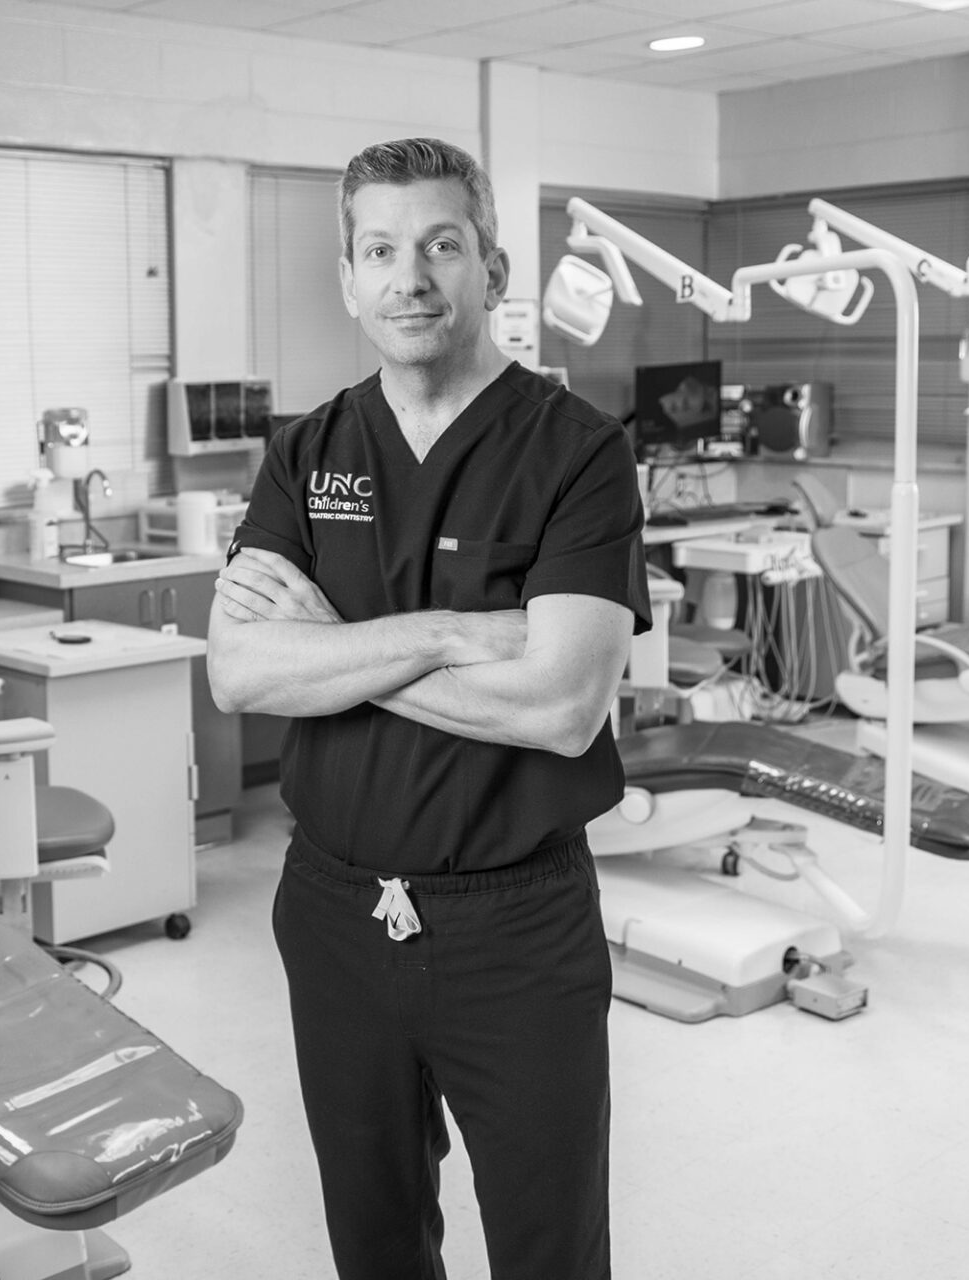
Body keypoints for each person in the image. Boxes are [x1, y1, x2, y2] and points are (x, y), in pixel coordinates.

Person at [206, 137, 645, 1280]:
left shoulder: (578, 452)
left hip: (517, 924)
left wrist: (333, 645)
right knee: (375, 1242)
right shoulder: (306, 453)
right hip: (334, 911)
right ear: (350, 278)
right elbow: (243, 674)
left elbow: (560, 704)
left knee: (551, 1249)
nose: (411, 277)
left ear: (491, 266)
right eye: (382, 250)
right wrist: (453, 630)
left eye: (442, 245)